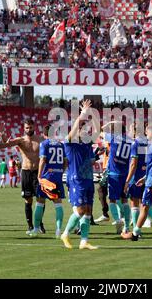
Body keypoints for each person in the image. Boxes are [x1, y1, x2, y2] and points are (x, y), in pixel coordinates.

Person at [60, 100, 98, 250]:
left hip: (88, 179)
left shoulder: (86, 144)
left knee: (88, 210)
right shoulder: (70, 144)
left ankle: (84, 241)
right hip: (77, 180)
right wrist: (82, 115)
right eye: (82, 129)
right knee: (80, 210)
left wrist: (92, 114)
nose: (85, 131)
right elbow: (74, 129)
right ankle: (66, 233)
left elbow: (97, 130)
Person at [0, 119, 46, 234]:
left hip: (38, 172)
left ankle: (39, 223)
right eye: (26, 128)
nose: (29, 130)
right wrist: (2, 133)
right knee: (28, 200)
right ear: (24, 129)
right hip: (26, 172)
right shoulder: (20, 140)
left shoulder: (40, 140)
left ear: (34, 127)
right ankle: (30, 226)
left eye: (30, 127)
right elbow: (6, 142)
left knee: (41, 200)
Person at [29, 125, 67, 238]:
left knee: (40, 202)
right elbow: (65, 162)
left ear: (44, 134)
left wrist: (39, 176)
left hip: (47, 177)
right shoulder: (61, 145)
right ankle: (59, 230)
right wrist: (60, 171)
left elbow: (42, 160)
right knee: (58, 203)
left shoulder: (44, 144)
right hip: (58, 177)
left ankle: (35, 229)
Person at [101, 121, 132, 236]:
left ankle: (118, 220)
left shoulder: (113, 138)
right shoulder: (130, 140)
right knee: (125, 200)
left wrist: (111, 122)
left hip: (114, 174)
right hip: (125, 174)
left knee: (112, 200)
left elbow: (101, 129)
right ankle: (127, 227)